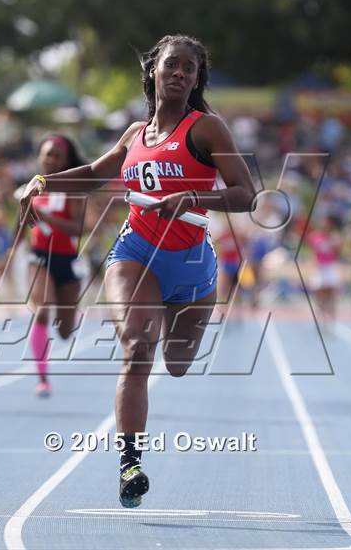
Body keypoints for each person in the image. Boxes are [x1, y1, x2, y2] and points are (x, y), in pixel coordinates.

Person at [20, 35, 256, 506]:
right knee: (136, 347)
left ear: (196, 78)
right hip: (135, 252)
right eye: (172, 65)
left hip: (191, 265)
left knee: (178, 364)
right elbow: (93, 173)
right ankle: (130, 463)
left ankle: (177, 319)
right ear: (153, 70)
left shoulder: (206, 129)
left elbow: (246, 195)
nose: (180, 74)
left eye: (190, 69)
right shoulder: (133, 134)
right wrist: (43, 181)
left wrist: (193, 198)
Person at [15, 134, 87, 397]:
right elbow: (20, 225)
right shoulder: (29, 188)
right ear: (39, 157)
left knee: (65, 331)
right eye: (47, 154)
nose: (51, 159)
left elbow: (78, 229)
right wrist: (9, 254)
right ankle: (42, 378)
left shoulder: (73, 189)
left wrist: (43, 214)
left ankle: (67, 313)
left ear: (66, 160)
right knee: (43, 309)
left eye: (57, 155)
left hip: (67, 260)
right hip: (39, 256)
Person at [307, 214, 342, 326]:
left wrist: (335, 244)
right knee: (319, 294)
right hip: (320, 267)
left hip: (330, 266)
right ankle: (321, 317)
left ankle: (332, 318)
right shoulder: (315, 236)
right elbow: (312, 249)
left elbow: (338, 252)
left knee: (332, 294)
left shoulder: (335, 237)